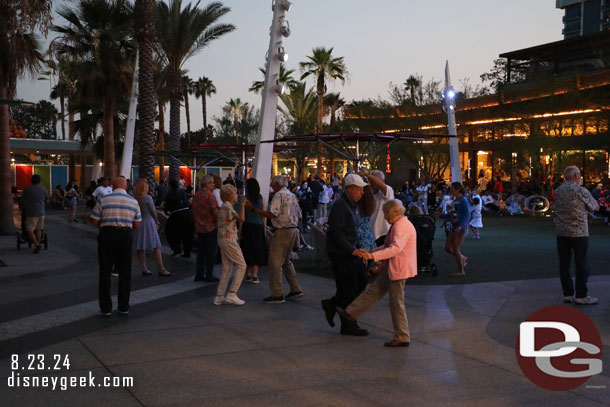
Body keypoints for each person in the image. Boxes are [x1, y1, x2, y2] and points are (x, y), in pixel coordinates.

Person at [336, 199, 416, 347]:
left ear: (391, 213)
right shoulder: (399, 225)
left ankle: (402, 335)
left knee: (396, 303)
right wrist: (370, 252)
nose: (384, 217)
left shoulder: (401, 227)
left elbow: (395, 249)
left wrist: (372, 256)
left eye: (385, 213)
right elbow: (388, 246)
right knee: (374, 290)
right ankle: (350, 313)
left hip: (399, 269)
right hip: (394, 268)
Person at [321, 173, 369, 336]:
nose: (362, 193)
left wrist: (358, 250)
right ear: (349, 189)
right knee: (348, 288)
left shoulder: (352, 205)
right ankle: (348, 324)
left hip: (350, 251)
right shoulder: (341, 206)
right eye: (359, 190)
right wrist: (352, 250)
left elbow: (352, 232)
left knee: (360, 282)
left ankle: (333, 304)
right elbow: (336, 233)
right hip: (341, 254)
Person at [246, 175, 303, 304]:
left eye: (272, 184)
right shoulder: (292, 196)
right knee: (287, 261)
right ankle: (295, 288)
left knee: (275, 262)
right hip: (293, 230)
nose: (271, 186)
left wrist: (254, 210)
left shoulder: (278, 196)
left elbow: (272, 214)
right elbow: (299, 217)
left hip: (282, 231)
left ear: (277, 185)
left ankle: (277, 294)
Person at [91, 177, 141, 316]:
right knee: (125, 271)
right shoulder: (133, 201)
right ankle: (123, 306)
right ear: (125, 187)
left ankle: (106, 307)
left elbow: (94, 222)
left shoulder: (103, 200)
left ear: (113, 186)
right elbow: (137, 224)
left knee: (105, 271)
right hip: (125, 237)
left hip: (107, 235)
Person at [554, 166, 599, 305]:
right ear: (576, 176)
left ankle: (568, 294)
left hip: (562, 231)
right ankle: (581, 295)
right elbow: (595, 207)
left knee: (564, 264)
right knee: (581, 263)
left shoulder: (558, 191)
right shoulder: (581, 190)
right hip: (579, 232)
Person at [214, 184, 247, 306]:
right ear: (230, 195)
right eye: (235, 193)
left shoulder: (224, 206)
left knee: (227, 267)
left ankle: (219, 296)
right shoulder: (228, 207)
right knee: (241, 265)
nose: (237, 195)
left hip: (222, 238)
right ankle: (232, 293)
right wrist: (243, 206)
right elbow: (241, 218)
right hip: (229, 239)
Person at [133, 178, 171, 277]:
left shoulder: (134, 198)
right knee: (156, 246)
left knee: (140, 248)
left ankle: (144, 268)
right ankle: (161, 269)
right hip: (149, 223)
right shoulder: (148, 198)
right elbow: (153, 212)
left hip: (139, 223)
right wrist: (157, 221)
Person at [437, 182, 470, 277]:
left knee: (456, 249)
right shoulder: (456, 200)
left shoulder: (463, 200)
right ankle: (462, 258)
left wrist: (461, 225)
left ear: (457, 189)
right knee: (448, 248)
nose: (450, 190)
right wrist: (441, 215)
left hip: (460, 227)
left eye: (452, 188)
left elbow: (468, 214)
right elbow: (452, 214)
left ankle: (461, 270)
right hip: (454, 226)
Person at [192, 175, 220, 282]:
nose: (213, 184)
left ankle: (199, 274)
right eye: (212, 182)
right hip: (210, 228)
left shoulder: (196, 195)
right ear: (207, 184)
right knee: (211, 253)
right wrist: (219, 222)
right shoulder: (210, 196)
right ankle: (209, 275)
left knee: (201, 253)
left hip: (199, 228)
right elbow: (215, 211)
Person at [241, 178, 267, 284]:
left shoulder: (245, 199)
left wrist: (240, 229)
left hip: (247, 226)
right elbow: (264, 216)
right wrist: (264, 228)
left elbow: (243, 214)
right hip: (258, 227)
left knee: (247, 250)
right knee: (257, 250)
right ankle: (255, 275)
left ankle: (248, 274)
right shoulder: (262, 199)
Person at [362, 169, 395, 246]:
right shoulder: (368, 193)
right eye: (371, 180)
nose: (373, 182)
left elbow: (382, 186)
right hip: (370, 233)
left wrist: (367, 175)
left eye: (375, 180)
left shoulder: (388, 191)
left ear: (382, 180)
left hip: (383, 233)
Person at [164, 179, 193, 258]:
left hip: (177, 215)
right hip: (187, 214)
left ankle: (177, 249)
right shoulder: (182, 192)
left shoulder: (170, 195)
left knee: (171, 232)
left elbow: (167, 207)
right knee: (187, 234)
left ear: (170, 186)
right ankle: (187, 252)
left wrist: (166, 210)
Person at [21, 174, 48, 254]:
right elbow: (46, 201)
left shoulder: (26, 190)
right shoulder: (44, 189)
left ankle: (36, 244)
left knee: (29, 229)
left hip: (31, 212)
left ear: (31, 181)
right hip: (41, 212)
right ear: (39, 181)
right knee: (38, 229)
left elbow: (22, 201)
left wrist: (22, 207)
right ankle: (37, 244)